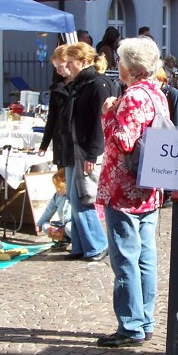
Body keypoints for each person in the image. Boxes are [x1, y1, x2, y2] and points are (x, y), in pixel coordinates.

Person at [96, 36, 168, 347]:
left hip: (125, 188)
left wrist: (108, 113)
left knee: (126, 258)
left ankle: (131, 326)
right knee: (146, 258)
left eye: (121, 61)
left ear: (130, 67)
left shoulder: (134, 96)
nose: (117, 66)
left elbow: (123, 140)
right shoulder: (157, 93)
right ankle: (145, 320)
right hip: (149, 185)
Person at [62, 42, 110, 261]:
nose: (67, 67)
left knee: (83, 198)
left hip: (87, 150)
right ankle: (81, 246)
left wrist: (93, 154)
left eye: (70, 63)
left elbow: (101, 123)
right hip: (77, 148)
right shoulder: (81, 84)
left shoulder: (97, 84)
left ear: (83, 62)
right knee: (75, 198)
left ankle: (97, 245)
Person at [36, 168, 71, 249]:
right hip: (62, 224)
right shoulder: (57, 196)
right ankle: (64, 240)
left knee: (69, 227)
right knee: (45, 226)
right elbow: (49, 210)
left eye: (60, 187)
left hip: (72, 224)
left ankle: (77, 241)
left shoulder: (72, 194)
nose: (58, 190)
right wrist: (39, 224)